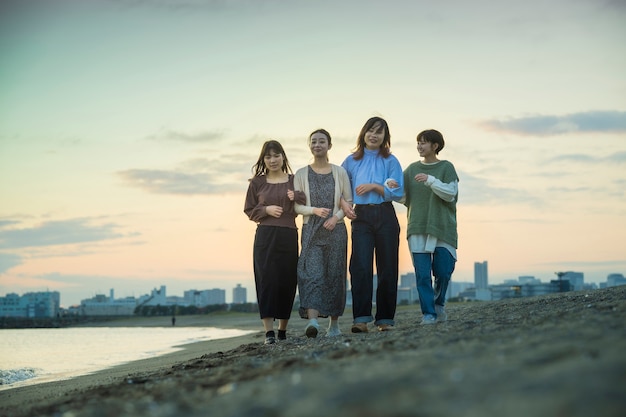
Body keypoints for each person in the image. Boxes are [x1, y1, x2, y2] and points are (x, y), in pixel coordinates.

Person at [340, 116, 404, 333]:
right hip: (361, 217)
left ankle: (385, 319)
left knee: (388, 268)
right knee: (360, 267)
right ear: (363, 133)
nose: (374, 135)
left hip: (386, 214)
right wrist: (346, 208)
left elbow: (398, 192)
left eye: (379, 132)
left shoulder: (391, 161)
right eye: (371, 130)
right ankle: (361, 318)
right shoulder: (351, 161)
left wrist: (375, 187)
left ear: (385, 137)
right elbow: (340, 188)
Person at [244, 140, 306, 344]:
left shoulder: (294, 179)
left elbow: (305, 200)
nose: (272, 160)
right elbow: (249, 210)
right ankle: (268, 332)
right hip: (265, 235)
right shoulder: (257, 182)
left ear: (283, 157)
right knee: (266, 280)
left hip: (289, 234)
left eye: (276, 155)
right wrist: (266, 210)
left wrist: (296, 195)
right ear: (263, 159)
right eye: (268, 157)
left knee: (287, 280)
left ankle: (283, 330)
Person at [294, 129, 353, 338]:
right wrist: (314, 211)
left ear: (329, 145)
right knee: (311, 274)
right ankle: (312, 322)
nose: (317, 145)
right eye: (313, 142)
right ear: (309, 146)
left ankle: (334, 325)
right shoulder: (301, 174)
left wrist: (336, 218)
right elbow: (297, 207)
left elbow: (348, 201)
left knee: (335, 275)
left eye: (321, 141)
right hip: (311, 229)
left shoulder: (339, 172)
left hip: (335, 230)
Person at [403, 129, 459, 324]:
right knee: (422, 275)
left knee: (443, 272)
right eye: (418, 142)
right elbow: (402, 196)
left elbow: (450, 193)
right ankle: (428, 313)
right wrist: (391, 185)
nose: (419, 146)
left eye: (424, 142)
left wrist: (430, 180)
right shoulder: (410, 170)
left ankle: (438, 303)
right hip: (417, 226)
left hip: (443, 226)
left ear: (435, 146)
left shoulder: (446, 167)